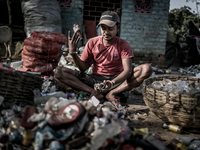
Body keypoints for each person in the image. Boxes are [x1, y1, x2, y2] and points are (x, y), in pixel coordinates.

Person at [54, 10, 152, 105]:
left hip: (116, 80)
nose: (106, 32)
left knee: (146, 69)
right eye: (103, 28)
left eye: (110, 28)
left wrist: (112, 83)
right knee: (58, 71)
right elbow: (83, 68)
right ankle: (95, 92)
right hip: (94, 80)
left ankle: (112, 93)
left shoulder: (123, 44)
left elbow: (128, 71)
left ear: (118, 28)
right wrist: (73, 53)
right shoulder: (92, 42)